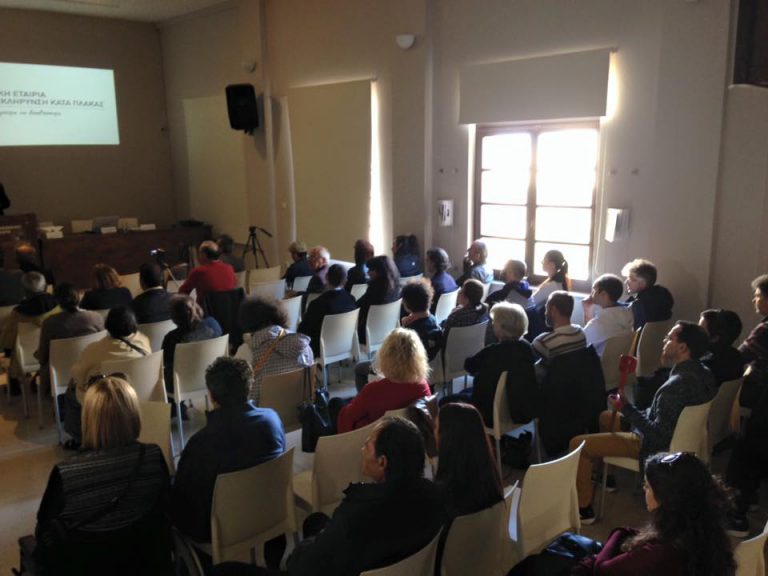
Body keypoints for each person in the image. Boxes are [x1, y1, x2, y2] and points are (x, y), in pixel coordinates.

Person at [569, 321, 717, 524]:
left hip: (654, 446)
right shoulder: (705, 373)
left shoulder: (675, 386)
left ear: (683, 347)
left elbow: (657, 434)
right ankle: (607, 477)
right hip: (680, 440)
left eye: (670, 338)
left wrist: (626, 408)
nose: (665, 340)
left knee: (579, 444)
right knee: (605, 416)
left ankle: (583, 508)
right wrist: (629, 410)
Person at [32, 376, 172, 576]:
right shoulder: (152, 456)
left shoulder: (67, 474)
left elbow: (44, 531)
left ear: (88, 419)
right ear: (134, 414)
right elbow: (165, 509)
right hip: (147, 565)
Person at [286, 417, 445, 576]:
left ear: (382, 462)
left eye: (367, 445)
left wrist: (297, 556)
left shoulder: (354, 513)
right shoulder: (434, 495)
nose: (362, 450)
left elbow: (302, 567)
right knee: (315, 520)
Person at [172, 357, 286, 570]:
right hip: (269, 513)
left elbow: (184, 502)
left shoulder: (200, 444)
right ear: (249, 388)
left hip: (220, 531)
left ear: (211, 396)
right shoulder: (272, 420)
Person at [574, 452, 735, 576]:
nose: (644, 489)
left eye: (648, 486)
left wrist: (619, 531)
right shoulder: (704, 528)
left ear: (666, 498)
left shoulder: (662, 552)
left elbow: (602, 570)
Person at [445, 302, 539, 427]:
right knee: (465, 391)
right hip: (517, 409)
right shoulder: (527, 347)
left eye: (494, 322)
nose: (492, 324)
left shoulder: (492, 351)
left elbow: (469, 366)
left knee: (444, 402)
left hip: (488, 413)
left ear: (502, 327)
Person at [67, 307, 152, 444]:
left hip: (104, 401)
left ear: (108, 325)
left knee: (71, 390)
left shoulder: (93, 349)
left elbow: (78, 376)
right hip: (137, 394)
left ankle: (80, 438)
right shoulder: (143, 341)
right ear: (133, 324)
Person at [335, 328, 431, 433]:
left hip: (375, 437)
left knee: (336, 403)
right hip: (409, 435)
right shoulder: (422, 385)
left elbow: (348, 417)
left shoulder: (373, 390)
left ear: (386, 356)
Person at [235, 296, 313, 405]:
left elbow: (235, 386)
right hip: (301, 409)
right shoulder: (303, 344)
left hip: (263, 413)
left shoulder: (246, 350)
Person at [434, 403, 504, 517]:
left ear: (447, 439)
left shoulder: (441, 494)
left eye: (436, 428)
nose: (434, 433)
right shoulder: (491, 480)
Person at [36, 283, 104, 392]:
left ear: (57, 301)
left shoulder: (50, 323)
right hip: (92, 371)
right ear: (79, 296)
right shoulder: (96, 317)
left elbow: (42, 356)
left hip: (59, 377)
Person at [1, 271, 58, 395]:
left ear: (25, 291)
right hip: (54, 353)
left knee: (12, 346)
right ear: (45, 286)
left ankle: (14, 385)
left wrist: (6, 352)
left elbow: (8, 338)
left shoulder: (18, 313)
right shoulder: (58, 305)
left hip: (27, 359)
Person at [161, 295, 222, 398]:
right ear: (197, 308)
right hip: (212, 378)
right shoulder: (213, 325)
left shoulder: (170, 339)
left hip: (180, 386)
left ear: (173, 317)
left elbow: (165, 364)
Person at [299, 264, 358, 355]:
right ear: (345, 280)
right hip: (345, 344)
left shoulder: (317, 303)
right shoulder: (351, 299)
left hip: (321, 348)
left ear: (326, 278)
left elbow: (303, 330)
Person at [582, 274, 634, 357]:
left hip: (599, 363)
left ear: (603, 294)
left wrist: (586, 310)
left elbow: (582, 343)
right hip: (618, 362)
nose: (591, 294)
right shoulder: (627, 314)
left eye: (594, 290)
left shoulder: (599, 323)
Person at [355, 255, 401, 343]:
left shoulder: (374, 290)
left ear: (378, 271)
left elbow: (359, 305)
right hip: (390, 330)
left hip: (369, 334)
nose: (368, 272)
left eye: (370, 270)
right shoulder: (396, 288)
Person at [739, 274, 768, 408]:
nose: (753, 300)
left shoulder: (764, 330)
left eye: (757, 296)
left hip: (760, 397)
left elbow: (739, 357)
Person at [532, 291, 586, 361]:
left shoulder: (541, 342)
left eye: (546, 309)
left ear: (553, 310)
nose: (545, 313)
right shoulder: (581, 332)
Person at [179, 240, 236, 305]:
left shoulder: (199, 271)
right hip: (228, 308)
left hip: (205, 310)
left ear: (203, 255)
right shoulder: (229, 268)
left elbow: (182, 293)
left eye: (199, 253)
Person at [622, 258, 674, 329]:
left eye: (630, 278)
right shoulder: (663, 297)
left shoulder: (640, 305)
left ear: (643, 282)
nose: (626, 282)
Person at [698, 308, 745, 386]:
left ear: (715, 338)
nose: (696, 333)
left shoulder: (708, 364)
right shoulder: (736, 356)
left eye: (701, 330)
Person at [400, 280, 442, 362]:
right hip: (435, 362)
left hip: (416, 364)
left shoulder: (410, 331)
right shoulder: (434, 320)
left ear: (407, 304)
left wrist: (404, 327)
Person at [425, 247, 458, 313]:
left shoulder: (434, 284)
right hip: (447, 314)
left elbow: (426, 306)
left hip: (434, 316)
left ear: (433, 263)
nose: (426, 263)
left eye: (427, 260)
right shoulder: (451, 279)